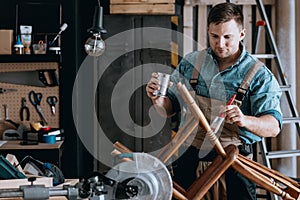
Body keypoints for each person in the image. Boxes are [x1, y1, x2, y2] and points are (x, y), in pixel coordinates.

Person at [146, 2, 282, 200]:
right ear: (208, 32)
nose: (220, 44)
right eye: (214, 36)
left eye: (228, 37)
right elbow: (168, 110)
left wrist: (244, 120)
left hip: (234, 163)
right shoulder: (192, 63)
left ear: (242, 34)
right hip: (189, 159)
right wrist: (157, 99)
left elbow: (273, 127)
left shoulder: (258, 75)